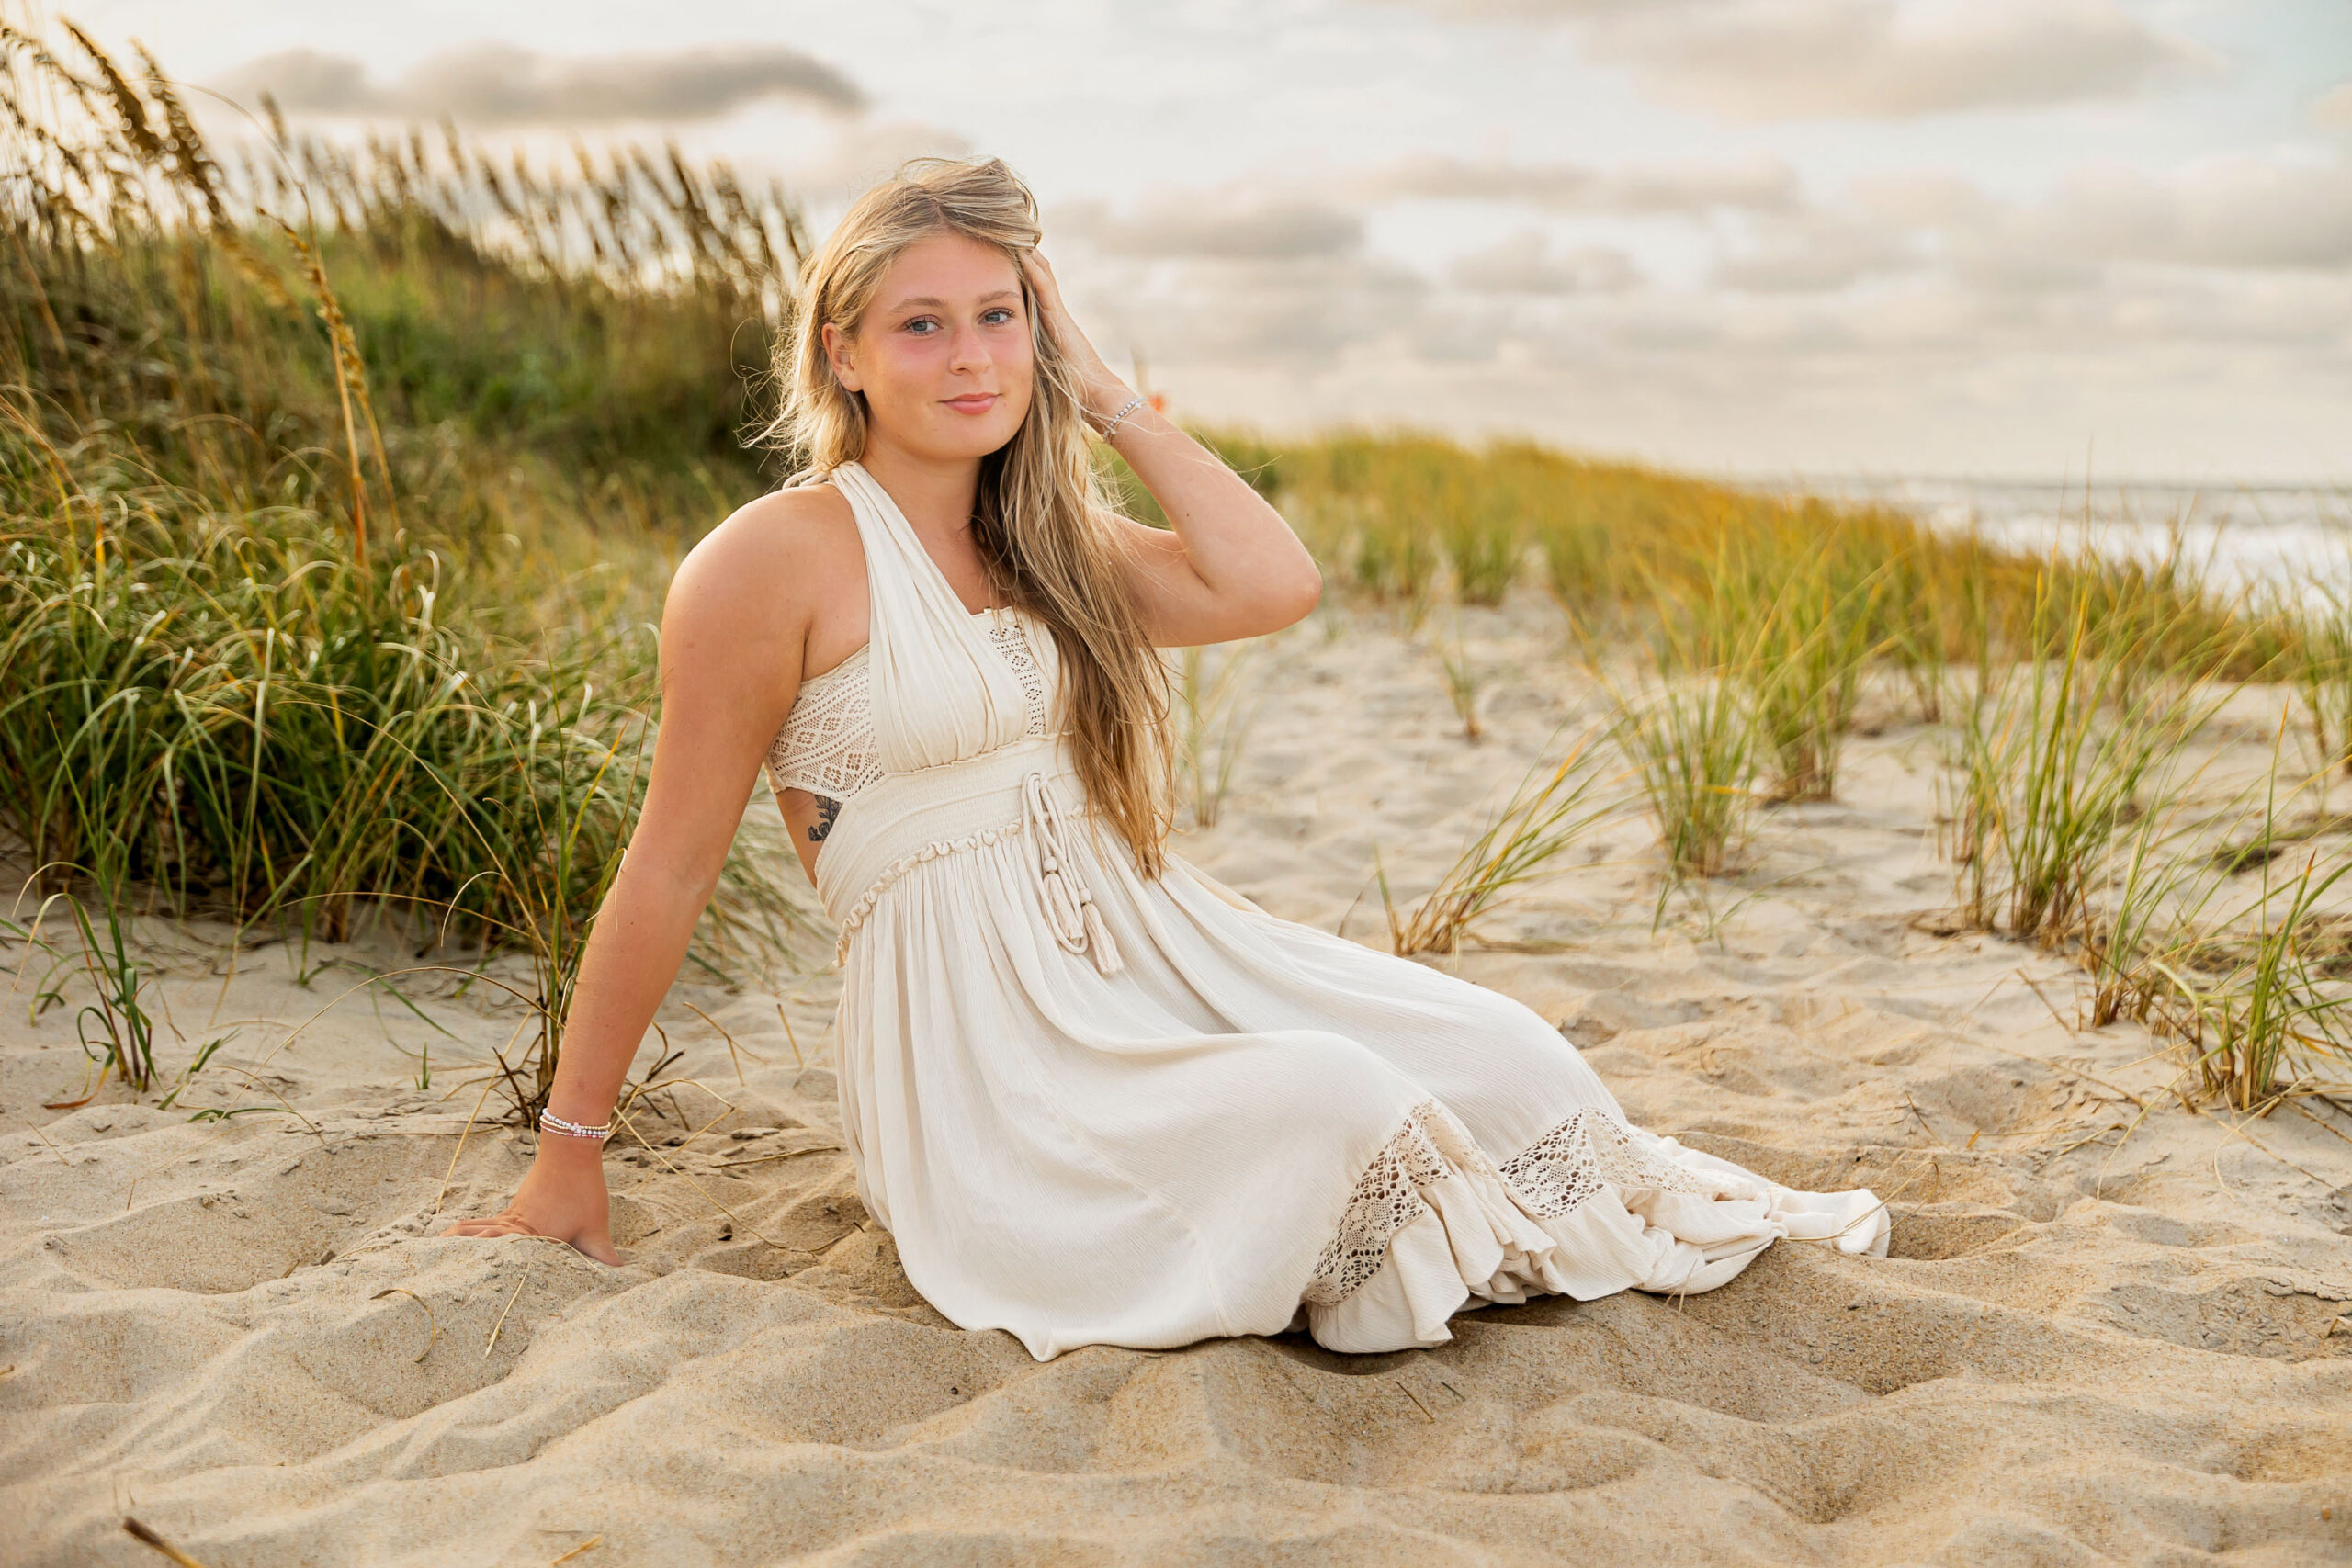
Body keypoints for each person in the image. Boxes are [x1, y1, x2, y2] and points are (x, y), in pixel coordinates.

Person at [445, 156, 1888, 1359]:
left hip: (1153, 950)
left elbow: (1272, 583)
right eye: (922, 326)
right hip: (982, 1044)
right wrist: (570, 1147)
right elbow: (669, 865)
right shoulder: (768, 563)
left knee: (1510, 1058)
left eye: (1000, 317)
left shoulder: (1046, 537)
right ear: (843, 352)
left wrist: (1100, 394)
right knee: (1334, 1106)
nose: (972, 358)